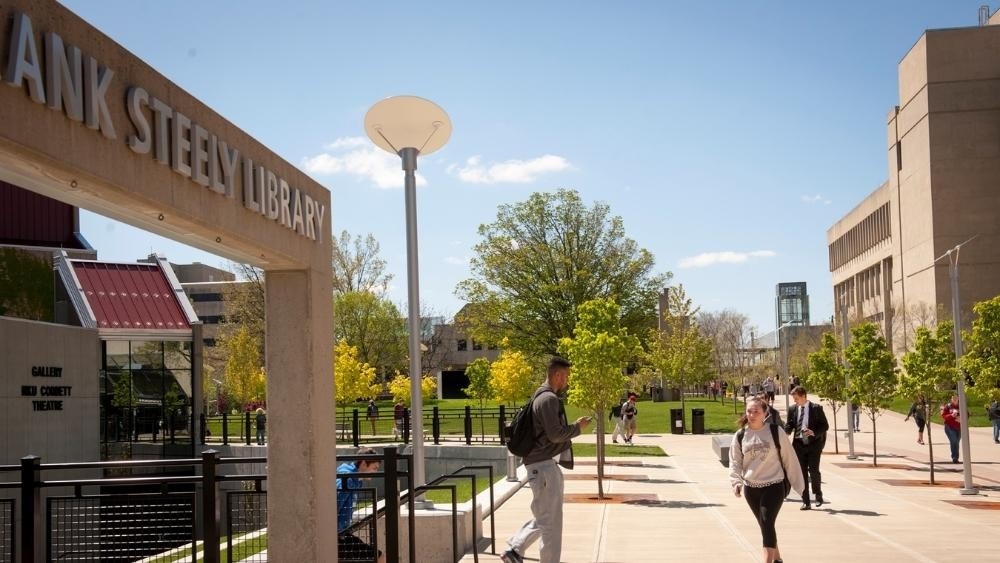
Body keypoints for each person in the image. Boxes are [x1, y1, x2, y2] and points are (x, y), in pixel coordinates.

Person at [501, 357, 590, 563]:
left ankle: (515, 549)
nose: (567, 381)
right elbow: (555, 434)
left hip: (539, 466)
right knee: (551, 524)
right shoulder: (548, 399)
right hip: (543, 467)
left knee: (545, 515)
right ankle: (518, 550)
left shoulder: (538, 396)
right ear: (558, 375)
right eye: (566, 376)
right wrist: (578, 427)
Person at [730, 395, 805, 563]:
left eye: (756, 411)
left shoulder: (775, 431)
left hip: (774, 486)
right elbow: (735, 461)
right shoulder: (741, 435)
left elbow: (789, 458)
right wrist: (736, 482)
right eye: (749, 411)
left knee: (766, 522)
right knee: (766, 526)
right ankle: (777, 559)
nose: (752, 414)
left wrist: (800, 486)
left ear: (765, 413)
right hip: (751, 489)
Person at [336, 447, 385, 563]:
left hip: (343, 533)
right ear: (363, 463)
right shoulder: (347, 480)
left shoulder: (357, 480)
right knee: (380, 557)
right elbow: (333, 506)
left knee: (379, 557)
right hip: (337, 536)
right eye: (374, 468)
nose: (375, 472)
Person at [785, 386, 828, 510]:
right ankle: (806, 501)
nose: (795, 401)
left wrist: (813, 432)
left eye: (796, 398)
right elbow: (790, 424)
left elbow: (825, 426)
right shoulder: (793, 409)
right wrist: (786, 431)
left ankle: (818, 494)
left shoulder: (816, 409)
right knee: (802, 473)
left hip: (814, 445)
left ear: (804, 396)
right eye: (794, 398)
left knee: (814, 471)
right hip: (798, 445)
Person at [941, 394, 962, 463]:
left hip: (959, 427)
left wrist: (960, 418)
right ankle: (954, 457)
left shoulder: (961, 406)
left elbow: (967, 414)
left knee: (956, 442)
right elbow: (943, 416)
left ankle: (956, 457)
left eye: (956, 398)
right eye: (953, 398)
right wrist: (951, 415)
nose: (955, 399)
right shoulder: (948, 406)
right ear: (951, 399)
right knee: (954, 441)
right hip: (949, 427)